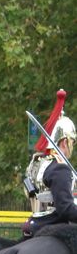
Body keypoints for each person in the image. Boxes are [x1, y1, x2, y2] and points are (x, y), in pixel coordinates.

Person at [23, 99, 77, 237]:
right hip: (53, 229)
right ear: (65, 141)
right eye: (72, 142)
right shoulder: (60, 168)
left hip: (34, 224)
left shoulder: (37, 162)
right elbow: (65, 209)